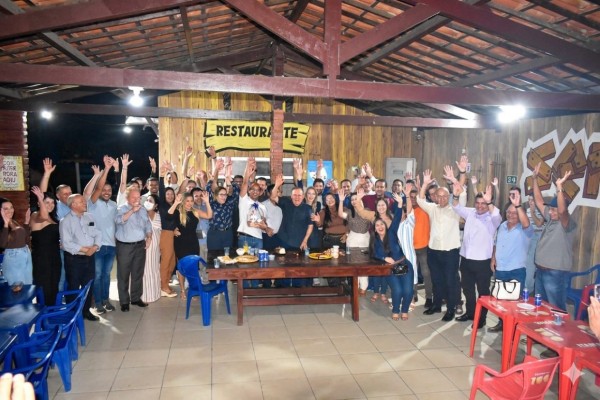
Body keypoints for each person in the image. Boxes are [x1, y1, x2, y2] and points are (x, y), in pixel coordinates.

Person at [451, 180, 501, 329]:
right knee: (467, 289)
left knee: (483, 292)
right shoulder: (471, 212)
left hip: (482, 262)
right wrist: (455, 195)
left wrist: (489, 201)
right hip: (466, 259)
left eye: (483, 203)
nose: (480, 206)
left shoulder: (493, 218)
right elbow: (456, 207)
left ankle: (481, 318)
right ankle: (471, 313)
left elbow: (497, 216)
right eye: (478, 203)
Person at [417, 168, 463, 322]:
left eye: (445, 196)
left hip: (450, 252)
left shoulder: (456, 209)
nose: (442, 199)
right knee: (436, 280)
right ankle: (436, 305)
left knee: (450, 281)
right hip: (434, 252)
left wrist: (454, 180)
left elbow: (462, 194)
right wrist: (424, 184)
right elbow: (420, 200)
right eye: (439, 196)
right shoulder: (432, 209)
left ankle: (451, 309)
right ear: (435, 197)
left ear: (448, 197)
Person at [531, 163, 576, 311]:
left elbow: (562, 211)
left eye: (553, 210)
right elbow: (539, 201)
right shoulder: (551, 218)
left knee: (556, 310)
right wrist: (534, 179)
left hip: (555, 274)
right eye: (550, 209)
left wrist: (559, 187)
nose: (550, 212)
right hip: (541, 271)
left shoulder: (566, 223)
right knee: (541, 308)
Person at [488, 189, 533, 333]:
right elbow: (496, 243)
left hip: (516, 270)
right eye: (508, 212)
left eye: (514, 213)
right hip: (501, 269)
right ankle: (502, 323)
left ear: (520, 214)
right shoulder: (502, 226)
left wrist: (518, 205)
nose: (511, 215)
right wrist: (493, 258)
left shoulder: (525, 229)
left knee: (514, 302)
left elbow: (526, 224)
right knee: (500, 300)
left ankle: (514, 329)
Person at [59, 194, 101, 321]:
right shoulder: (65, 221)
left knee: (88, 285)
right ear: (73, 205)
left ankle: (86, 311)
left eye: (84, 201)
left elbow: (97, 233)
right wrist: (84, 249)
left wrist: (95, 246)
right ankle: (73, 313)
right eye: (81, 201)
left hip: (90, 257)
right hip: (74, 259)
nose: (84, 203)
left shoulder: (89, 217)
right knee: (73, 286)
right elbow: (66, 243)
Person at [85, 156, 118, 314]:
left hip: (111, 246)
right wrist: (107, 169)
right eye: (104, 190)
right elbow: (97, 188)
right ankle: (97, 303)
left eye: (109, 190)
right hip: (97, 246)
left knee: (106, 275)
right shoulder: (93, 203)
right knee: (97, 276)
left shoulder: (114, 205)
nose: (106, 192)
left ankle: (106, 300)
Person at [370, 204, 412, 321]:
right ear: (375, 229)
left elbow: (397, 217)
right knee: (397, 290)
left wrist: (399, 205)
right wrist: (384, 258)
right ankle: (396, 310)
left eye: (382, 224)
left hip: (404, 264)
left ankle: (404, 310)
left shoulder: (392, 233)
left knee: (408, 290)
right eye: (377, 225)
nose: (380, 227)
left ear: (385, 226)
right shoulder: (375, 241)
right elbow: (373, 254)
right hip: (390, 268)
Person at [271, 174, 313, 287]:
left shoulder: (308, 208)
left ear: (303, 196)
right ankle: (282, 287)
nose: (297, 197)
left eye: (299, 195)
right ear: (291, 196)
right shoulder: (285, 202)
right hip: (284, 240)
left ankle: (297, 288)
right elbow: (273, 197)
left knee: (299, 267)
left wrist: (305, 240)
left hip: (300, 242)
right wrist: (277, 185)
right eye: (295, 195)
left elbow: (310, 226)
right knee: (282, 265)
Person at [114, 186, 153, 312]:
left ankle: (136, 298)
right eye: (134, 197)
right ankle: (124, 302)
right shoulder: (121, 208)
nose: (137, 200)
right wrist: (132, 211)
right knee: (123, 275)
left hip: (140, 245)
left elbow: (147, 224)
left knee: (137, 273)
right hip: (125, 246)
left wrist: (149, 236)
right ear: (127, 198)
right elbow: (118, 220)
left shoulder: (143, 209)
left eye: (138, 197)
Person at [168, 191, 212, 296]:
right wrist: (175, 203)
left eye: (191, 201)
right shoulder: (178, 212)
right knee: (181, 267)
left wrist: (207, 202)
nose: (189, 203)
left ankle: (193, 290)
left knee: (193, 267)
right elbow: (168, 216)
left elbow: (209, 215)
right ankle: (183, 291)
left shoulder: (195, 211)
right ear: (183, 201)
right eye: (187, 201)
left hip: (193, 242)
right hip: (181, 243)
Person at [29, 186, 61, 309]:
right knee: (44, 288)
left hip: (54, 257)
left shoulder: (53, 217)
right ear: (39, 203)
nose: (50, 205)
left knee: (54, 286)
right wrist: (40, 198)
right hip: (42, 259)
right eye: (47, 202)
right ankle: (44, 315)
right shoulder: (35, 215)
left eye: (52, 202)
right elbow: (43, 216)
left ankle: (52, 313)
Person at [338, 189, 371, 294]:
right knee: (353, 263)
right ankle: (355, 286)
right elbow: (340, 214)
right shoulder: (349, 211)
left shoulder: (367, 210)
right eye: (352, 199)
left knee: (363, 263)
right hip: (352, 238)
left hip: (364, 238)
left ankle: (364, 287)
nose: (354, 201)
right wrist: (341, 201)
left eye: (356, 199)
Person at [206, 157, 240, 250]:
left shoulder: (229, 203)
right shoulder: (212, 202)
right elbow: (210, 186)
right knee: (213, 257)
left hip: (227, 233)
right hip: (214, 233)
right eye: (221, 194)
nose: (224, 197)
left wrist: (228, 178)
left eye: (225, 194)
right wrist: (216, 169)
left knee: (227, 256)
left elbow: (235, 191)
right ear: (216, 195)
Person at [0, 199, 32, 286]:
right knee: (17, 287)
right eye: (6, 209)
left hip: (25, 254)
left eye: (11, 207)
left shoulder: (13, 221)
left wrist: (26, 222)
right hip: (13, 257)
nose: (10, 210)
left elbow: (24, 239)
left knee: (27, 286)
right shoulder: (3, 224)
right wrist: (5, 224)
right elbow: (2, 244)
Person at [158, 161, 178, 297]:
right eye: (167, 194)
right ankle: (163, 286)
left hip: (173, 235)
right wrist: (161, 175)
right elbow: (161, 189)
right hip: (165, 235)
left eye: (172, 194)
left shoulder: (175, 206)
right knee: (166, 261)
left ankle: (166, 283)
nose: (170, 195)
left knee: (172, 261)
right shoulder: (162, 205)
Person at [141, 194, 161, 303]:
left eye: (151, 201)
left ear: (156, 205)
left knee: (154, 270)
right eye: (147, 200)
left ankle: (154, 294)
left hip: (155, 249)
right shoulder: (141, 215)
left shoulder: (159, 216)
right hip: (143, 247)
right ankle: (143, 296)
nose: (148, 202)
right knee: (143, 270)